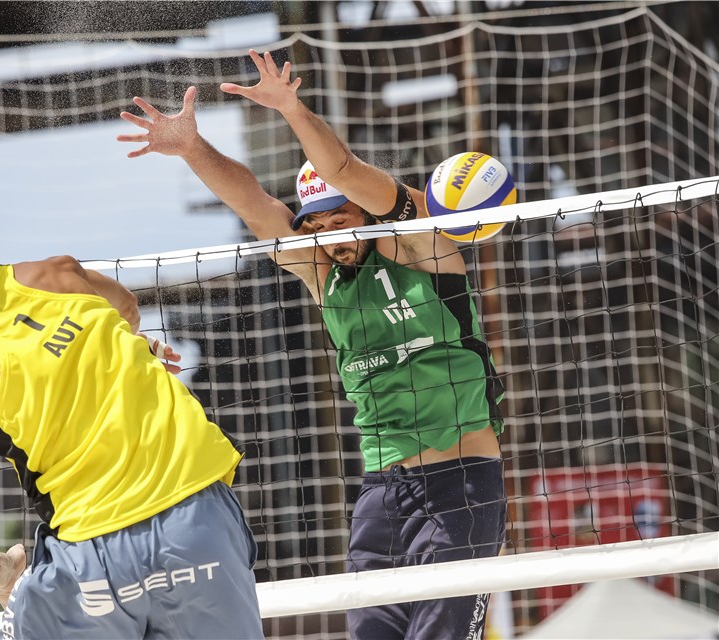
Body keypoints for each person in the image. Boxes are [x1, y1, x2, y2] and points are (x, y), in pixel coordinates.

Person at [119, 50, 506, 640]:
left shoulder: (422, 247)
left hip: (462, 484)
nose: (328, 234)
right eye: (316, 225)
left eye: (339, 219)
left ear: (369, 212)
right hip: (382, 492)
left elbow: (346, 169)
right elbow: (256, 207)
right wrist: (193, 148)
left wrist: (291, 109)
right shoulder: (325, 277)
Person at [0, 169, 263, 640]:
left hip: (91, 562)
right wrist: (125, 352)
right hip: (198, 523)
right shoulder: (58, 273)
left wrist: (6, 572)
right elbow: (126, 310)